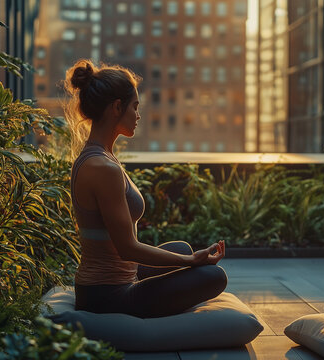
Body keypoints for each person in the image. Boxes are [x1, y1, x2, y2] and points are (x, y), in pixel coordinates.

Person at [64, 59, 227, 318]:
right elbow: (127, 248)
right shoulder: (102, 168)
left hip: (118, 278)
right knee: (213, 276)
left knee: (182, 248)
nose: (138, 116)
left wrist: (187, 258)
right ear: (117, 107)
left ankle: (180, 265)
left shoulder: (99, 156)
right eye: (135, 107)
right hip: (107, 295)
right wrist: (190, 262)